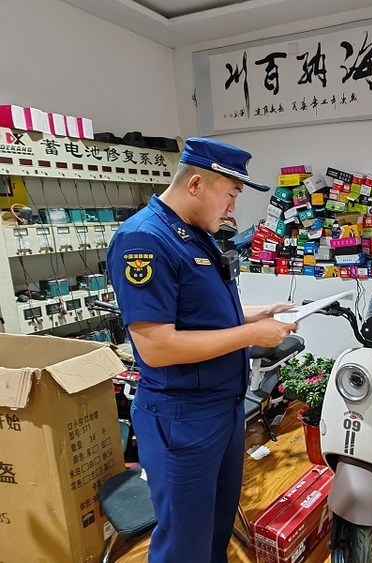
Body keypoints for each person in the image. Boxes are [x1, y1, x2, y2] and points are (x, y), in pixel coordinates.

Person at [106, 137, 298, 563]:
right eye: (230, 195)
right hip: (183, 419)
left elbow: (204, 314)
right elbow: (156, 346)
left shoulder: (196, 234)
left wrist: (257, 313)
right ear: (196, 184)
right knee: (185, 544)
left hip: (221, 409)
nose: (233, 208)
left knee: (215, 531)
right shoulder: (145, 240)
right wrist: (251, 336)